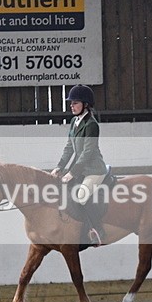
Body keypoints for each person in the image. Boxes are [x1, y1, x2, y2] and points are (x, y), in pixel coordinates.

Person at [51, 84, 108, 246]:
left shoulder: (91, 125)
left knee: (80, 197)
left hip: (94, 170)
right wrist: (59, 167)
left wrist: (72, 173)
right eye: (71, 103)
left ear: (86, 104)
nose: (72, 106)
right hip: (81, 169)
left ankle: (96, 230)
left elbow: (87, 154)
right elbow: (69, 147)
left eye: (75, 103)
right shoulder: (74, 122)